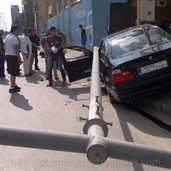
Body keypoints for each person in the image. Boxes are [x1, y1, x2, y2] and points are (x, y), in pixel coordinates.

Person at [4, 25, 23, 93]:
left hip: (8, 55)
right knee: (13, 72)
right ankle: (12, 87)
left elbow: (4, 46)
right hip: (13, 56)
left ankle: (14, 84)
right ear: (15, 30)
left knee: (12, 71)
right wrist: (19, 58)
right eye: (18, 30)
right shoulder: (14, 38)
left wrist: (7, 52)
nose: (18, 31)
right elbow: (16, 49)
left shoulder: (7, 36)